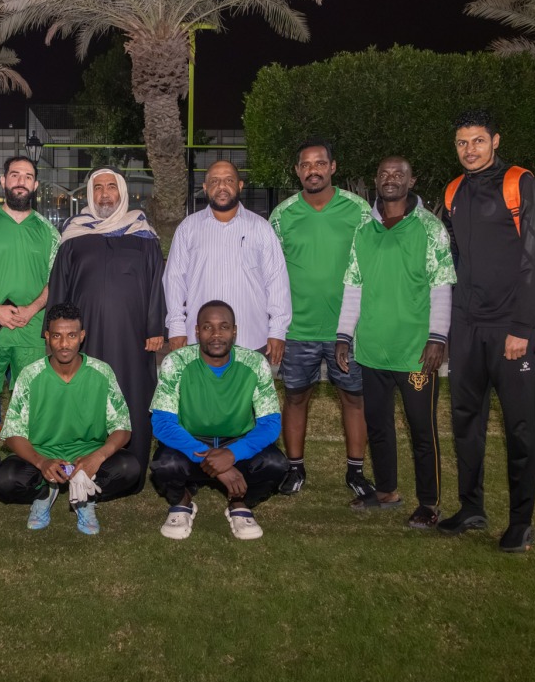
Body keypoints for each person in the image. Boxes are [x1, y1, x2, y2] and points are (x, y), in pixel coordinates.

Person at [439, 110, 535, 553]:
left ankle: (521, 522)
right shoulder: (453, 191)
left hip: (511, 328)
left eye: (478, 141)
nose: (470, 150)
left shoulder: (520, 183)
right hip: (466, 327)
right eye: (462, 143)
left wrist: (522, 326)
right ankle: (471, 508)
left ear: (495, 141)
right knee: (466, 422)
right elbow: (453, 259)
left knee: (520, 427)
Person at [335, 157, 456, 528]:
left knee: (422, 430)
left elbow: (441, 286)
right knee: (378, 425)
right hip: (372, 349)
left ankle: (429, 503)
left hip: (416, 351)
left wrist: (438, 337)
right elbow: (354, 286)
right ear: (376, 179)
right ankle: (387, 490)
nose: (391, 179)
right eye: (385, 174)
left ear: (411, 180)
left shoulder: (430, 228)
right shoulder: (364, 229)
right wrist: (344, 335)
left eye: (399, 174)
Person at [269, 140, 376, 501]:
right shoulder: (282, 215)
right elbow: (269, 272)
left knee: (354, 399)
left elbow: (375, 263)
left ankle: (356, 472)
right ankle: (295, 468)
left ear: (332, 167)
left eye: (319, 163)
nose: (312, 170)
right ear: (297, 171)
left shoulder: (359, 210)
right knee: (296, 397)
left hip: (348, 329)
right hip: (297, 329)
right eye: (305, 165)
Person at [47, 168, 164, 491]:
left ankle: (131, 467)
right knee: (86, 395)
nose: (104, 194)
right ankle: (80, 463)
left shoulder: (142, 233)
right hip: (85, 338)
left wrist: (156, 326)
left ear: (121, 192)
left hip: (133, 339)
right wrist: (52, 331)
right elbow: (59, 286)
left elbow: (157, 282)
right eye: (98, 188)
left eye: (111, 187)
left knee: (132, 394)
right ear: (90, 194)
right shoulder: (74, 235)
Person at [0, 302, 140, 534]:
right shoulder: (30, 374)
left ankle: (85, 494)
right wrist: (42, 462)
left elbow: (123, 428)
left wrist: (97, 457)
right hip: (44, 455)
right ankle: (46, 491)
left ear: (82, 336)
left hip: (88, 456)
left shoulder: (102, 371)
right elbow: (12, 434)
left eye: (71, 335)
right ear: (47, 336)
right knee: (5, 479)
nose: (64, 344)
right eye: (57, 336)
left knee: (129, 467)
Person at [149, 300, 287, 540]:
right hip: (191, 444)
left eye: (223, 327)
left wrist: (232, 454)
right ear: (197, 331)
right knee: (164, 465)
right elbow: (162, 422)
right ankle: (183, 501)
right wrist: (207, 457)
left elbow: (271, 424)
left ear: (234, 331)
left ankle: (239, 502)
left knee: (276, 464)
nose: (216, 334)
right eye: (207, 327)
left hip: (237, 443)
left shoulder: (255, 363)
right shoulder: (176, 362)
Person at [0, 155, 61, 438]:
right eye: (15, 175)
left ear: (35, 185)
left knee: (31, 396)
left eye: (28, 177)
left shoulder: (49, 232)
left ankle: (25, 446)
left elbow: (56, 279)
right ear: (3, 180)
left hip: (31, 329)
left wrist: (32, 309)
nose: (21, 181)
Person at [164, 160, 289, 365]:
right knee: (201, 387)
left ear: (240, 185)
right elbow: (174, 280)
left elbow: (277, 281)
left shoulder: (261, 228)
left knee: (249, 388)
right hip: (200, 341)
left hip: (251, 338)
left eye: (229, 180)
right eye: (215, 181)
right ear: (205, 187)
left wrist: (278, 330)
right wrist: (176, 327)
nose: (222, 186)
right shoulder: (188, 228)